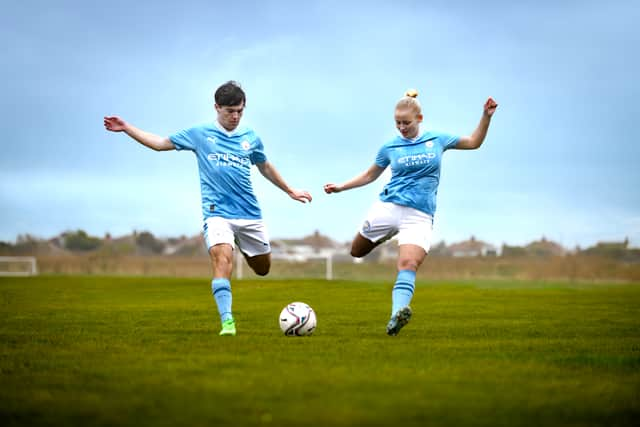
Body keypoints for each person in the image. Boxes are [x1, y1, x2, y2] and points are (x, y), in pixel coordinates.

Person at [104, 81, 312, 336]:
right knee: (222, 259)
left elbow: (265, 166)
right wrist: (126, 128)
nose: (235, 117)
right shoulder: (200, 134)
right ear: (217, 107)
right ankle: (227, 323)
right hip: (217, 214)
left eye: (240, 111)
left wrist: (290, 190)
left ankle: (245, 249)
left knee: (262, 269)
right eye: (229, 111)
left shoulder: (250, 138)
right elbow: (159, 143)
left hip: (249, 215)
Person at [324, 89, 498, 336]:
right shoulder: (390, 146)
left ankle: (397, 314)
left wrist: (486, 116)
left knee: (408, 263)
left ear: (420, 118)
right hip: (389, 207)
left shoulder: (437, 139)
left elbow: (473, 142)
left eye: (406, 123)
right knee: (357, 251)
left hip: (419, 215)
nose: (402, 128)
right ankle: (386, 234)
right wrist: (342, 186)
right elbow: (370, 174)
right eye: (398, 123)